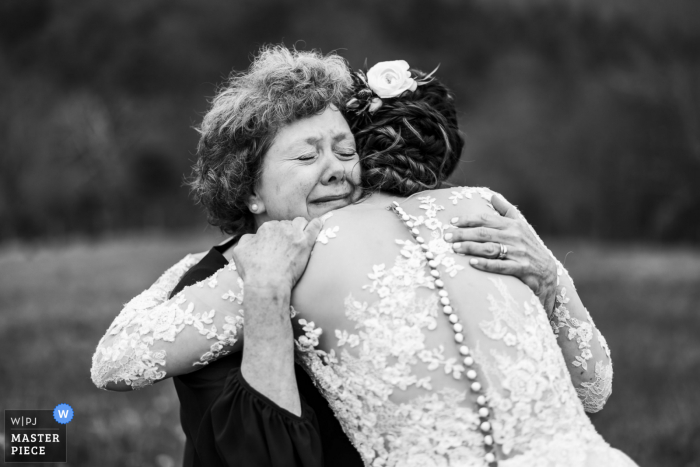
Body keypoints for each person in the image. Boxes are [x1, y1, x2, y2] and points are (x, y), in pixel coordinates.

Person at [91, 47, 626, 466]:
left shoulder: (486, 220)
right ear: (248, 188)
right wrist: (208, 273)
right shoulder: (255, 270)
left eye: (347, 152)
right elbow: (116, 364)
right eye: (306, 155)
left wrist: (551, 279)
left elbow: (593, 388)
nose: (336, 170)